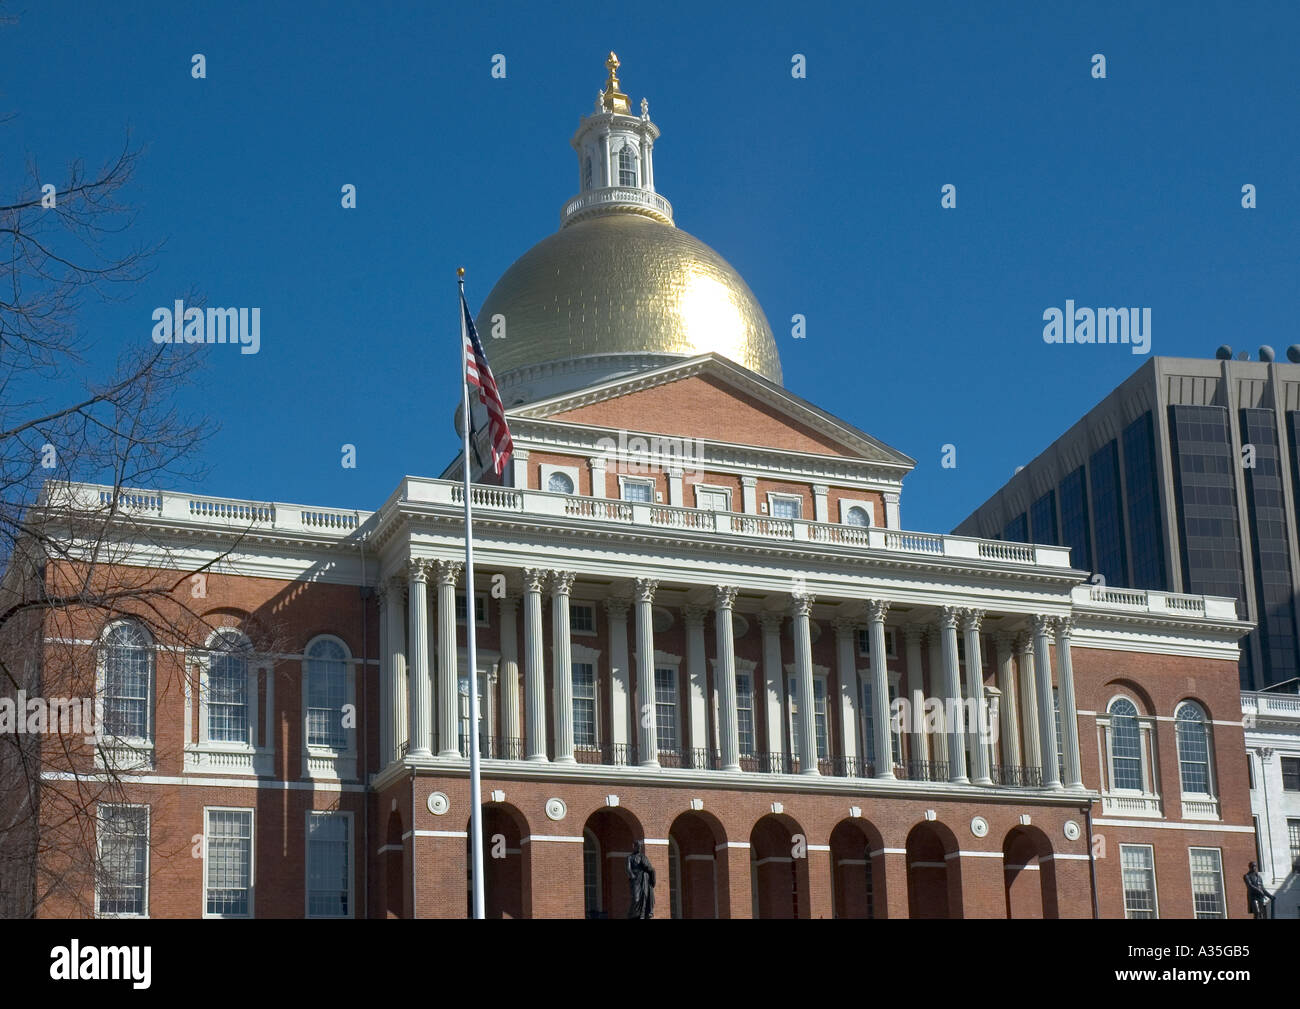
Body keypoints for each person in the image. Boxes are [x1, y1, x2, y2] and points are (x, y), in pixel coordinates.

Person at [626, 840, 656, 919]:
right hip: (635, 880)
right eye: (638, 846)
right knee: (636, 898)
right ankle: (633, 915)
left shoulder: (643, 857)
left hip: (644, 879)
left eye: (640, 847)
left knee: (644, 897)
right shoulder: (630, 857)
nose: (639, 848)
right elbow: (628, 869)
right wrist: (632, 876)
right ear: (634, 846)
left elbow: (649, 867)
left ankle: (642, 916)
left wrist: (652, 872)